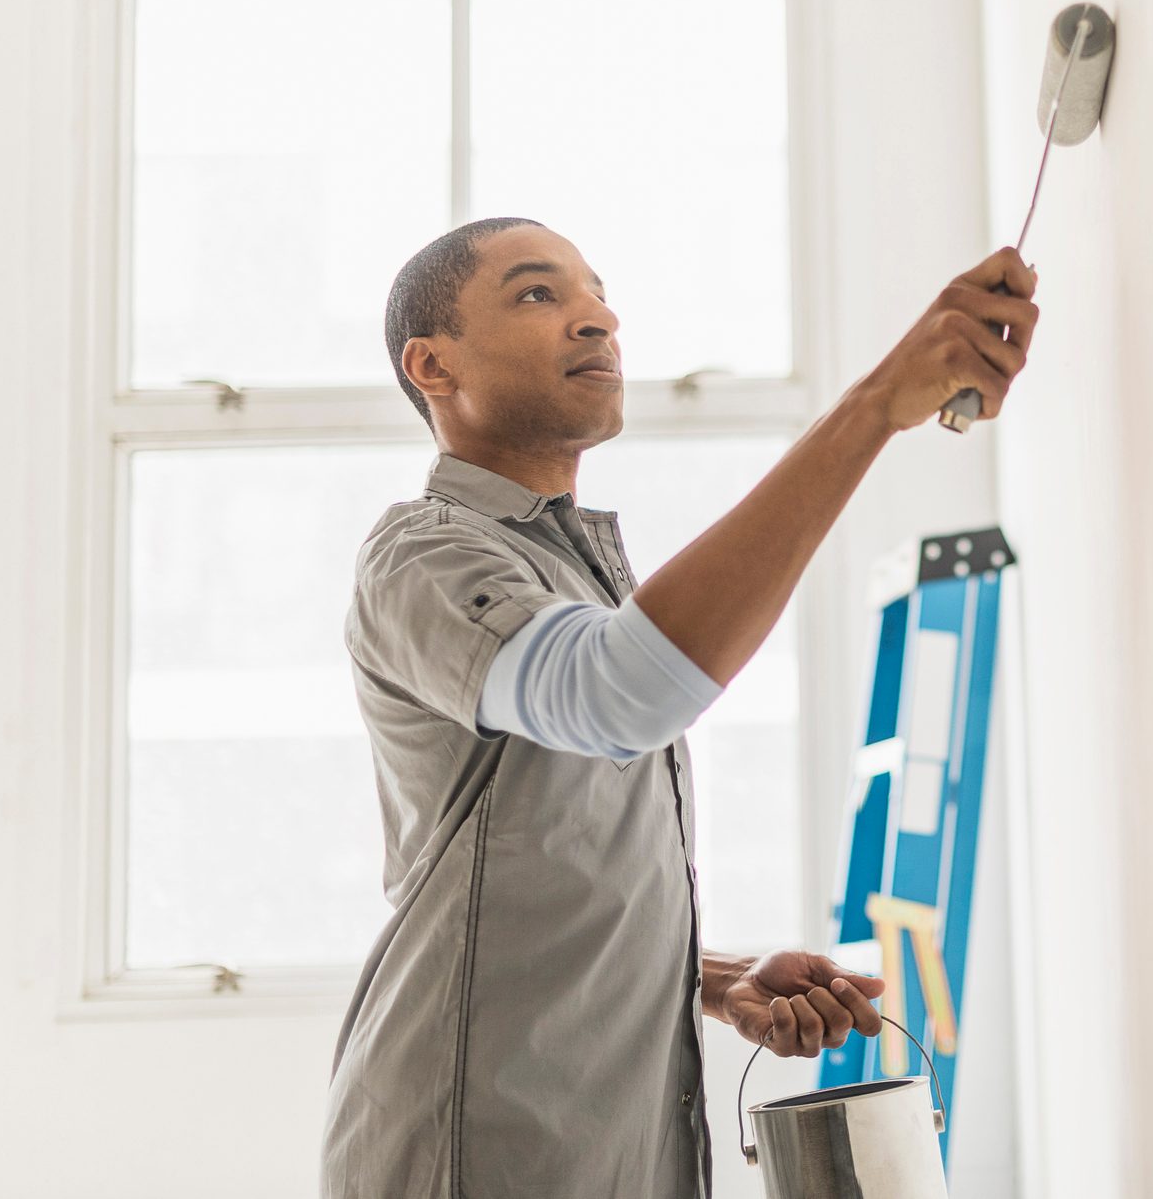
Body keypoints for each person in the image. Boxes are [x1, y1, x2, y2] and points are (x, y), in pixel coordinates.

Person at [321, 216, 1040, 1199]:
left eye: (597, 293)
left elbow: (544, 865)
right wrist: (874, 406)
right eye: (537, 293)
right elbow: (618, 692)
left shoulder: (569, 572)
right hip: (477, 1149)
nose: (597, 318)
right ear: (431, 365)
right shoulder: (424, 556)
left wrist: (713, 977)